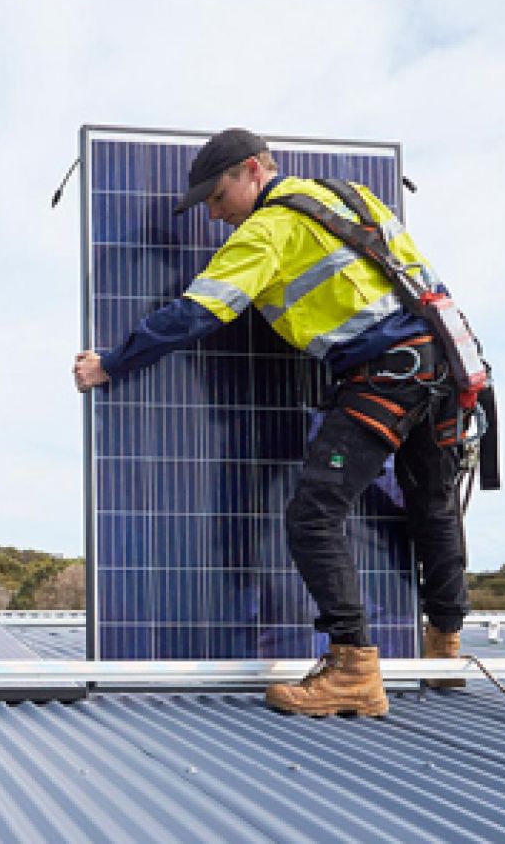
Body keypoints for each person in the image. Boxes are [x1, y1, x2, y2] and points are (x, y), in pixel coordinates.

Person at [73, 128, 470, 717]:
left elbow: (196, 312)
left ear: (255, 171)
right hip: (449, 362)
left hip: (386, 372)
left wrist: (111, 363)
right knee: (431, 506)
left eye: (217, 196)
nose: (213, 213)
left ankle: (353, 668)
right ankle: (444, 652)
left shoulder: (267, 229)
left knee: (313, 514)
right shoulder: (352, 195)